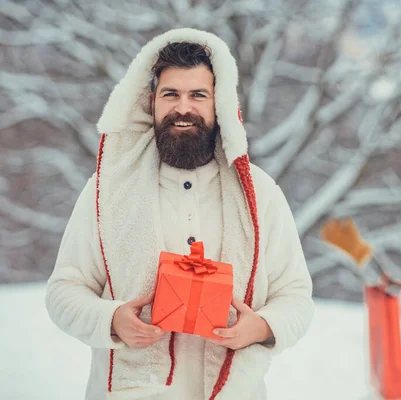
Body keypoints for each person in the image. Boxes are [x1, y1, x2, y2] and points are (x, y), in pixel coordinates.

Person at [45, 28, 314, 400]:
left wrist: (261, 327)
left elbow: (296, 296)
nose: (183, 108)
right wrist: (111, 320)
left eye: (198, 95)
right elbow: (62, 292)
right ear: (151, 101)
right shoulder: (107, 190)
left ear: (219, 104)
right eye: (171, 94)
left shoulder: (260, 194)